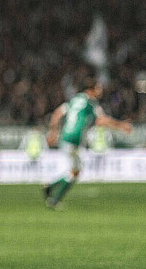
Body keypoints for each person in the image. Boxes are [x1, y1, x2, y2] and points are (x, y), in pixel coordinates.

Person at [44, 77, 132, 208]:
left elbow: (57, 114)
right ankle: (54, 199)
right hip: (75, 139)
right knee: (76, 171)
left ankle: (50, 188)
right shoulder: (91, 103)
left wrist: (53, 132)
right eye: (98, 88)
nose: (100, 91)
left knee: (75, 169)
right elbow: (101, 120)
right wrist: (121, 126)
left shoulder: (74, 100)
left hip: (65, 137)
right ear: (91, 90)